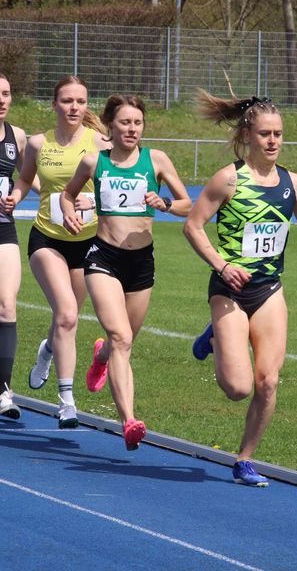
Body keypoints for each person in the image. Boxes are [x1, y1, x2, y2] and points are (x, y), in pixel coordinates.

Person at [183, 91, 297, 487]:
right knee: (238, 388)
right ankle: (215, 335)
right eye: (265, 134)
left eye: (278, 134)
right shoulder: (228, 179)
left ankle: (245, 459)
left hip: (268, 290)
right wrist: (222, 265)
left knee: (268, 382)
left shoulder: (295, 183)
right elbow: (192, 227)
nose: (272, 141)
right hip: (229, 289)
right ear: (247, 135)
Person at [61, 94, 191, 450]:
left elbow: (187, 204)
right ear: (111, 125)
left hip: (141, 262)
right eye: (125, 122)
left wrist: (164, 202)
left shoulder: (156, 160)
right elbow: (68, 194)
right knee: (122, 338)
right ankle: (129, 421)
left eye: (137, 123)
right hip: (103, 258)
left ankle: (101, 356)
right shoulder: (94, 161)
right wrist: (70, 213)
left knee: (123, 341)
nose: (132, 129)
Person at [4, 75, 108, 428]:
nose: (74, 107)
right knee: (66, 314)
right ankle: (67, 403)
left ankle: (47, 350)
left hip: (88, 243)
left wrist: (92, 201)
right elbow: (24, 178)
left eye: (80, 101)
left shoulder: (101, 143)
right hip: (47, 239)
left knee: (68, 319)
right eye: (67, 101)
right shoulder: (38, 143)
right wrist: (16, 196)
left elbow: (116, 186)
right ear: (54, 104)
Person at [0, 74, 27, 419]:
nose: (1, 99)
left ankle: (3, 391)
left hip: (3, 228)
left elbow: (28, 175)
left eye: (5, 93)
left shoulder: (16, 136)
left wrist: (17, 195)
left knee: (7, 305)